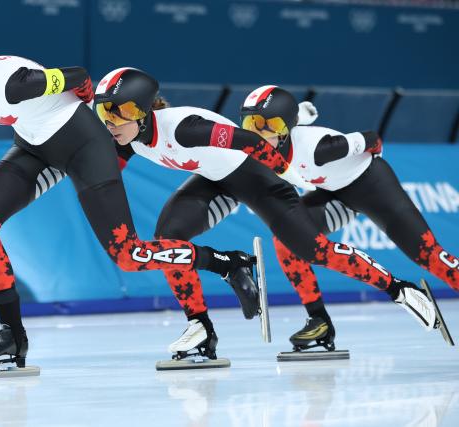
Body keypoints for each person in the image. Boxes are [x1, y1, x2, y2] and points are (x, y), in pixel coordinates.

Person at [0, 23, 287, 369]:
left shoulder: (11, 84)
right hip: (34, 147)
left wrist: (92, 121)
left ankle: (227, 263)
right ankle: (12, 335)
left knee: (128, 255)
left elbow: (78, 77)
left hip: (83, 146)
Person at [93, 68, 437, 357]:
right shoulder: (127, 136)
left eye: (117, 112)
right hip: (214, 180)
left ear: (140, 110)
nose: (110, 122)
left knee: (312, 249)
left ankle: (399, 289)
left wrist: (286, 173)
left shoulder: (184, 128)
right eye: (103, 114)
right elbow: (105, 175)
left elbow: (250, 141)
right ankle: (201, 323)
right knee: (169, 239)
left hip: (256, 176)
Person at [239, 85, 458, 350]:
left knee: (430, 256)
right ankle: (318, 320)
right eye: (250, 123)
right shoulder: (256, 148)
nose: (256, 134)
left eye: (267, 126)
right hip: (332, 193)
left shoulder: (320, 148)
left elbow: (373, 139)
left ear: (284, 131)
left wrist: (374, 166)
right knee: (287, 242)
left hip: (371, 185)